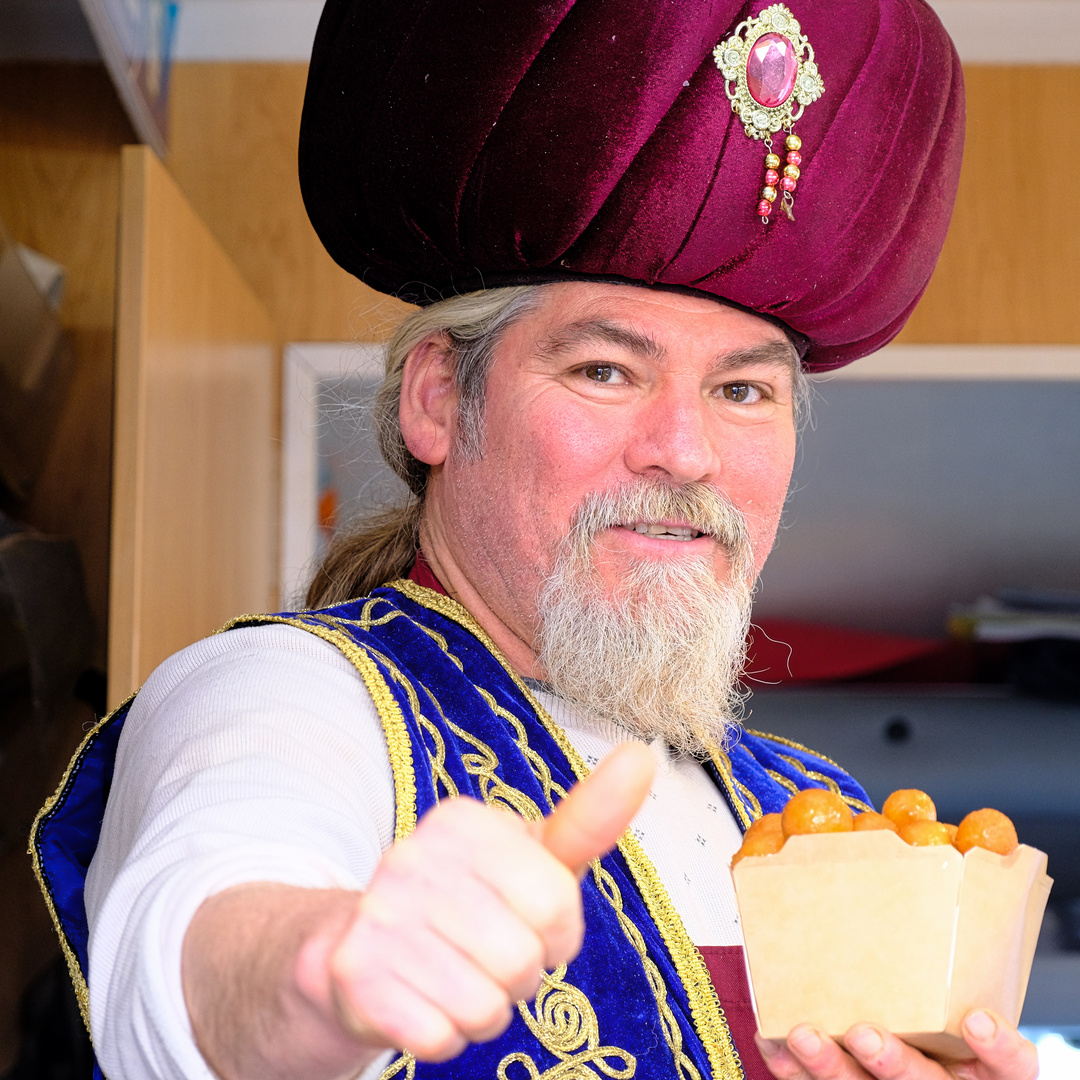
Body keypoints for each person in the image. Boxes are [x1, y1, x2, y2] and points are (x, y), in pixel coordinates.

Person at [30, 2, 1039, 1080]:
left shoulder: (817, 815)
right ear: (436, 402)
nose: (686, 452)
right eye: (605, 370)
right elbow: (203, 948)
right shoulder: (288, 695)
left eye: (743, 389)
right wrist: (323, 975)